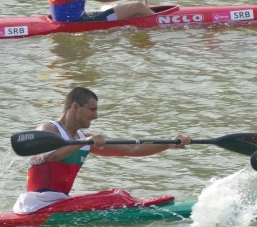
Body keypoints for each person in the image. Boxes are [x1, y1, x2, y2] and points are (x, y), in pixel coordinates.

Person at [13, 87, 191, 214]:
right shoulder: (49, 129)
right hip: (36, 205)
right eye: (92, 109)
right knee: (116, 197)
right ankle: (145, 209)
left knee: (116, 194)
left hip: (60, 204)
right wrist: (84, 142)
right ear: (75, 106)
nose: (96, 116)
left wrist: (168, 144)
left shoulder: (84, 139)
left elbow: (132, 149)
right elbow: (46, 157)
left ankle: (142, 206)